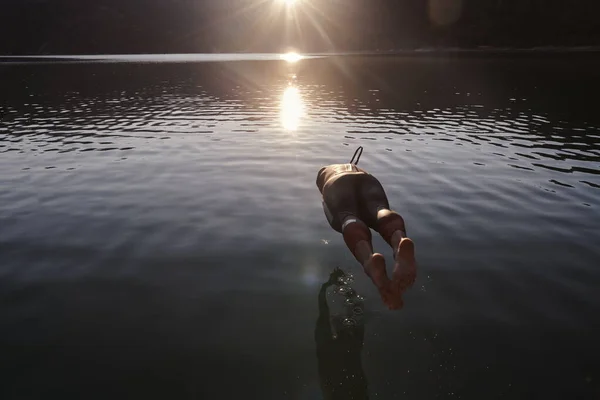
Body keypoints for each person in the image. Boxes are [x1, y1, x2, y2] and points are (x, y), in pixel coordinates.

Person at [316, 147, 416, 310]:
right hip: (367, 179)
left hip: (335, 183)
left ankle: (368, 259)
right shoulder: (356, 168)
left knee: (347, 217)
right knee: (379, 210)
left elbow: (324, 194)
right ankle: (399, 242)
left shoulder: (324, 173)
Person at [315, 268, 369, 400]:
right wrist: (346, 288)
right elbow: (359, 307)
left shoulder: (326, 348)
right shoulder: (355, 345)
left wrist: (326, 286)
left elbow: (323, 313)